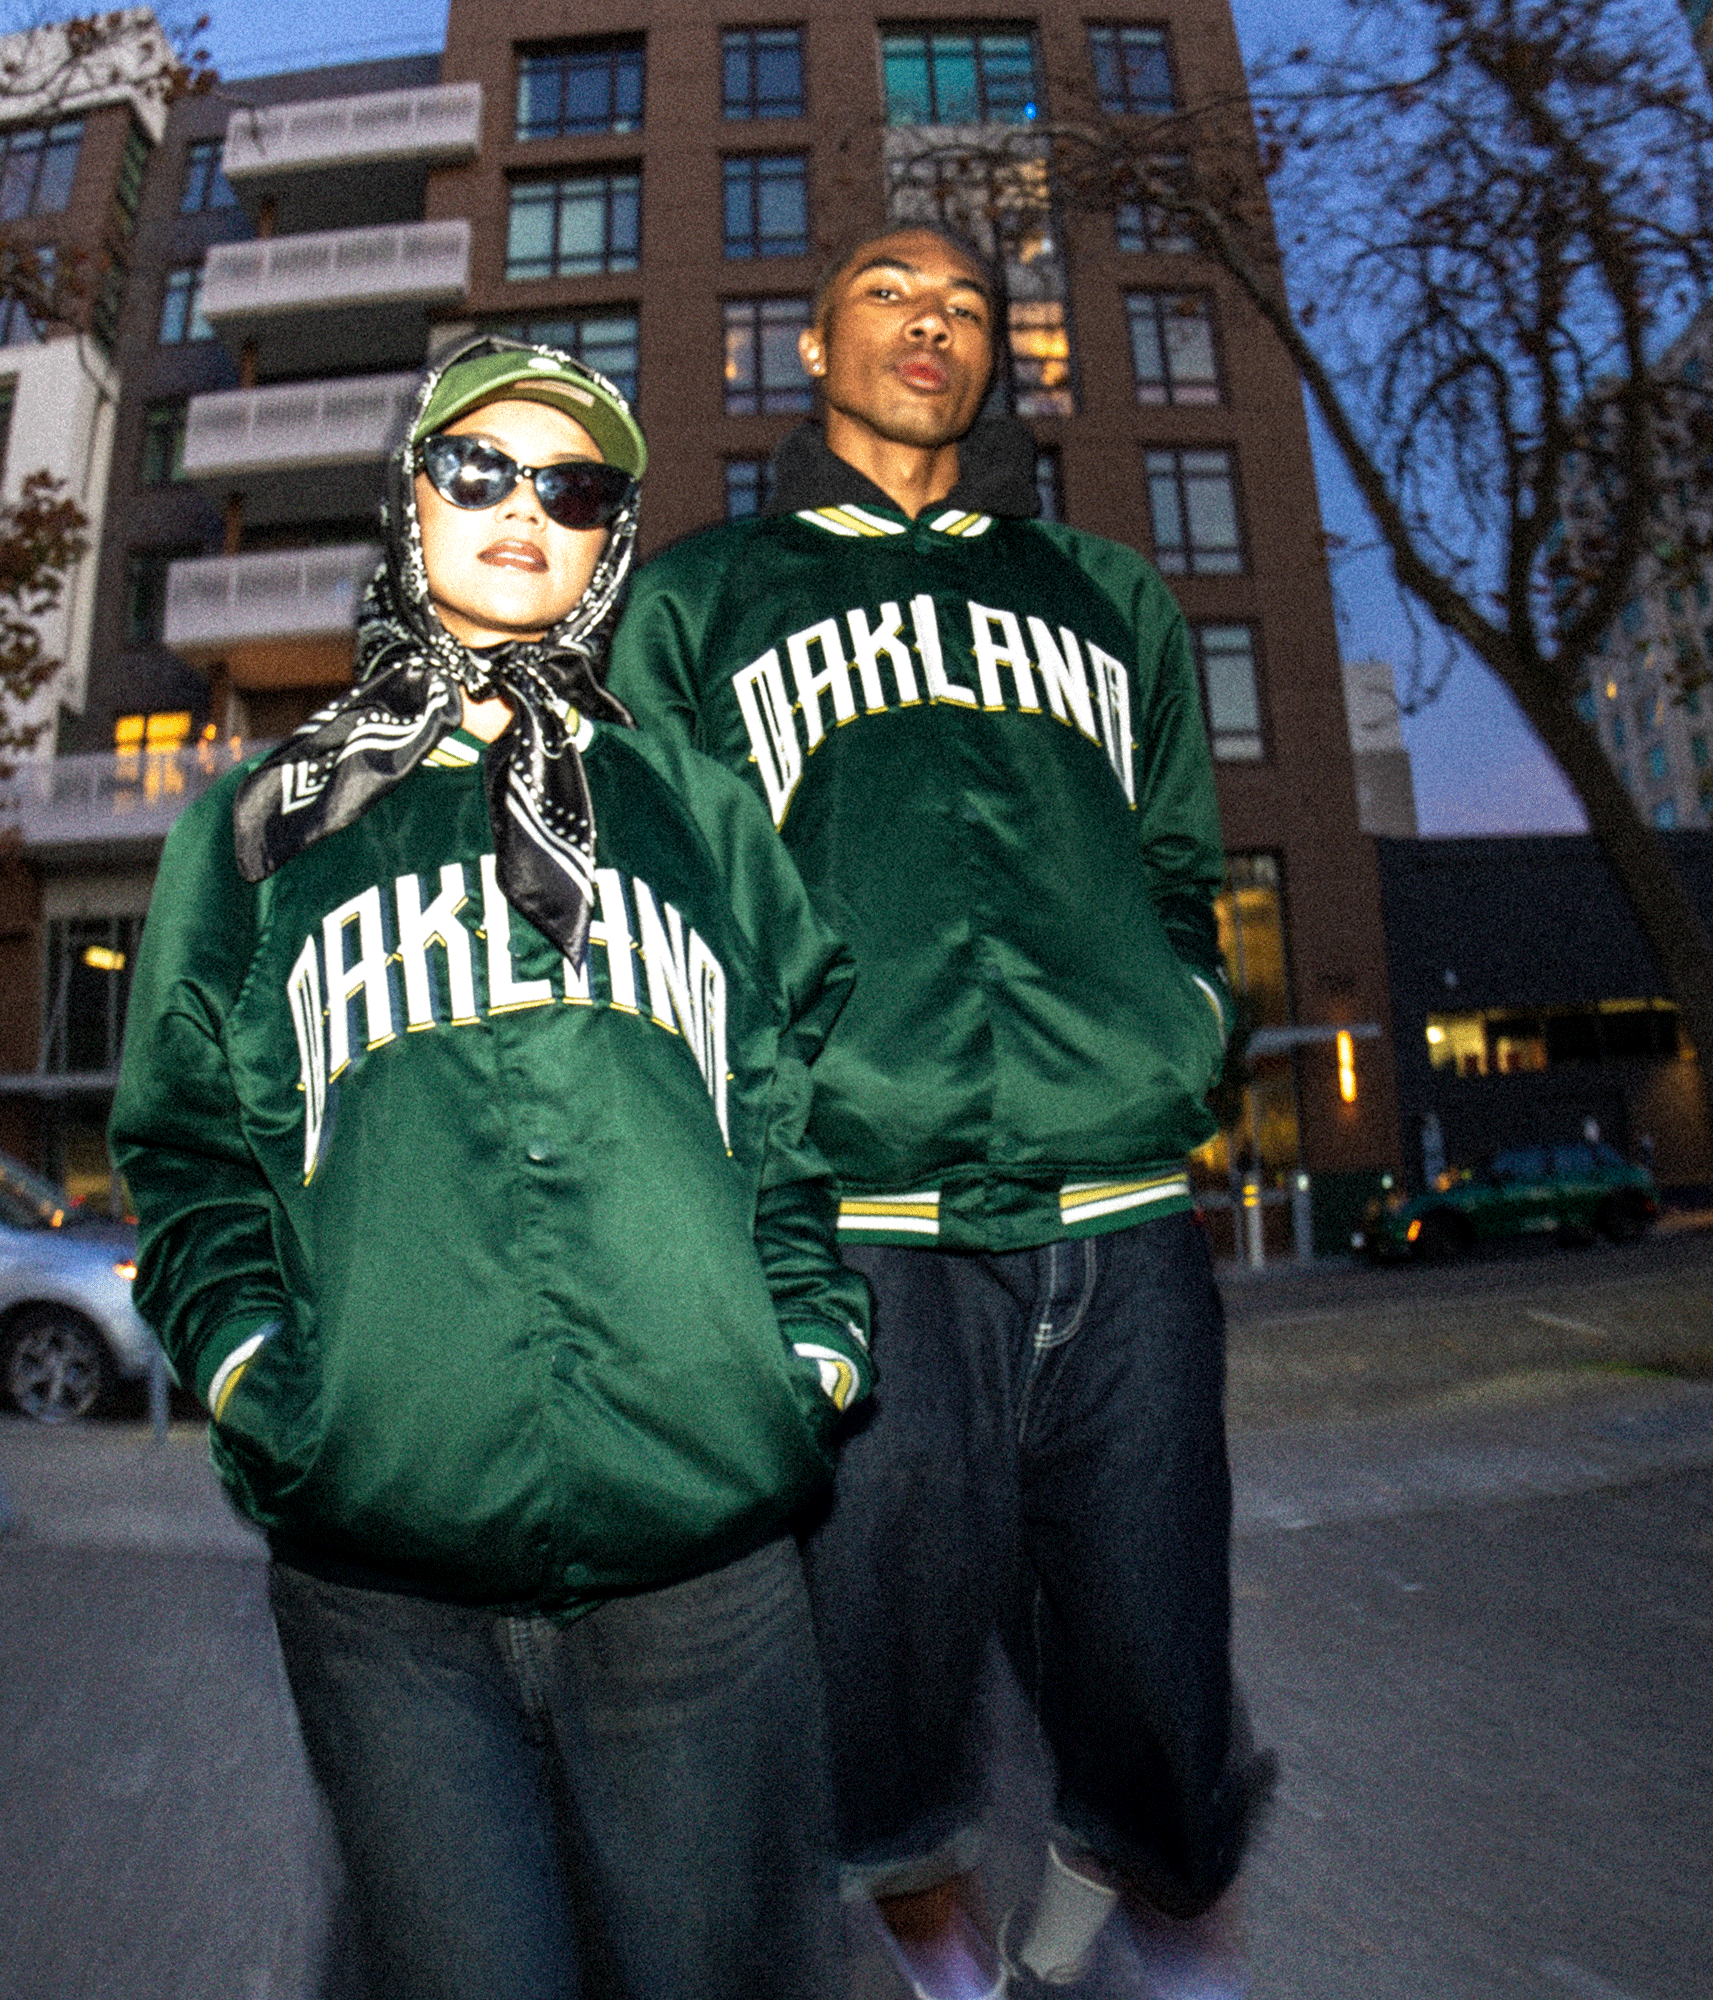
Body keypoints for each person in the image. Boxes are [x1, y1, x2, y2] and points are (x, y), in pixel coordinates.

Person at [109, 336, 872, 2000]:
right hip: (383, 1581)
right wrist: (260, 1380)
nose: (525, 508)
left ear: (609, 544)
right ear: (408, 500)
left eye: (576, 487)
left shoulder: (698, 809)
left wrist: (801, 1357)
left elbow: (790, 1117)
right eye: (479, 469)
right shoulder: (254, 827)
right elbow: (184, 1154)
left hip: (706, 1556)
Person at [607, 229, 1275, 1999]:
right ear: (812, 341)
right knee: (884, 1676)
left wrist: (1183, 1029)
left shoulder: (1102, 595)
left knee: (1156, 1658)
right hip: (867, 1234)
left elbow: (1187, 874)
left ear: (999, 362)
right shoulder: (699, 604)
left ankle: (1175, 1927)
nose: (935, 321)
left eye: (970, 306)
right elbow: (660, 917)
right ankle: (948, 1966)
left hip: (1123, 1218)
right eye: (894, 293)